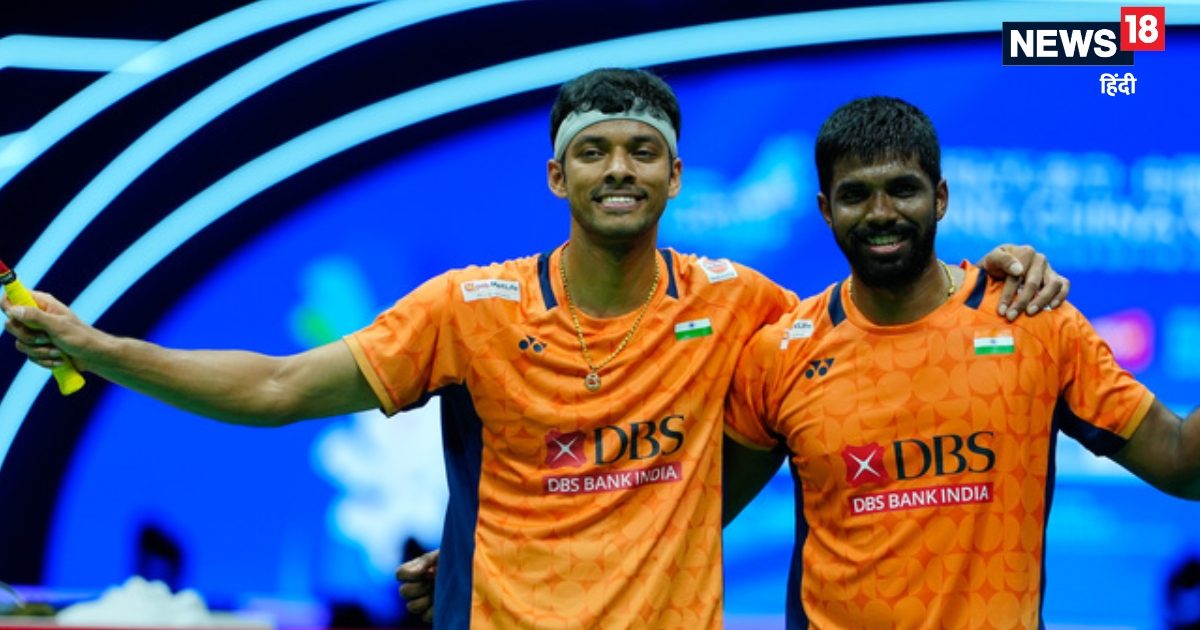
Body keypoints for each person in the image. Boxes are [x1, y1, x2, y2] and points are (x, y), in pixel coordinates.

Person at [4, 71, 1064, 629]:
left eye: (643, 150)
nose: (619, 168)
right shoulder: (469, 307)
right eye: (592, 151)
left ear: (676, 176)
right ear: (557, 178)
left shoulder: (741, 304)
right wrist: (99, 348)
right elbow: (279, 386)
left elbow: (879, 323)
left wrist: (993, 273)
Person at [720, 96, 1200, 627]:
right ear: (825, 209)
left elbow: (1183, 463)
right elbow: (688, 518)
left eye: (903, 189)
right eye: (855, 194)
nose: (881, 213)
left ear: (941, 197)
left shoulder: (1031, 322)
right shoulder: (782, 354)